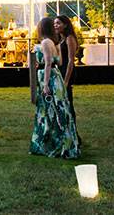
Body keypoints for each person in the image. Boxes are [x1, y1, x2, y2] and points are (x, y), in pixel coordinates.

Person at [29, 17, 80, 159]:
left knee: (49, 110)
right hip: (56, 76)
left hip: (49, 78)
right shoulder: (56, 43)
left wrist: (45, 84)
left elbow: (48, 64)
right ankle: (58, 140)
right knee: (58, 109)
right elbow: (60, 61)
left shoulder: (45, 42)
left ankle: (53, 142)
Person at [54, 15, 81, 145]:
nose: (55, 25)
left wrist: (66, 80)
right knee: (63, 104)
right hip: (61, 70)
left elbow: (71, 61)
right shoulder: (61, 39)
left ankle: (74, 135)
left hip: (67, 72)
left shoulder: (70, 38)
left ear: (65, 24)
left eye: (58, 23)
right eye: (54, 24)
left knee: (68, 103)